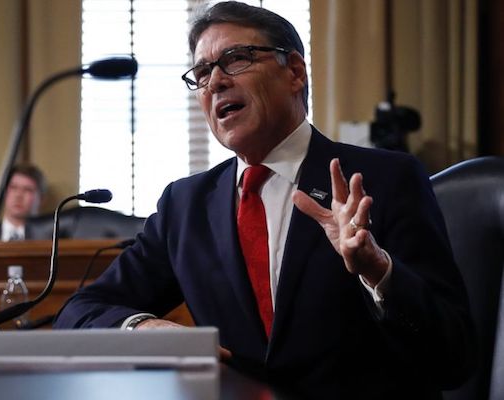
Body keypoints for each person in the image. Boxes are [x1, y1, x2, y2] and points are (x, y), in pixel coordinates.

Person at [54, 2, 475, 398]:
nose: (215, 80)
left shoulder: (384, 179)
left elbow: (454, 357)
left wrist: (378, 271)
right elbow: (81, 311)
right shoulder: (185, 207)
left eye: (236, 58)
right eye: (201, 72)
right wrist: (139, 328)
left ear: (294, 71)